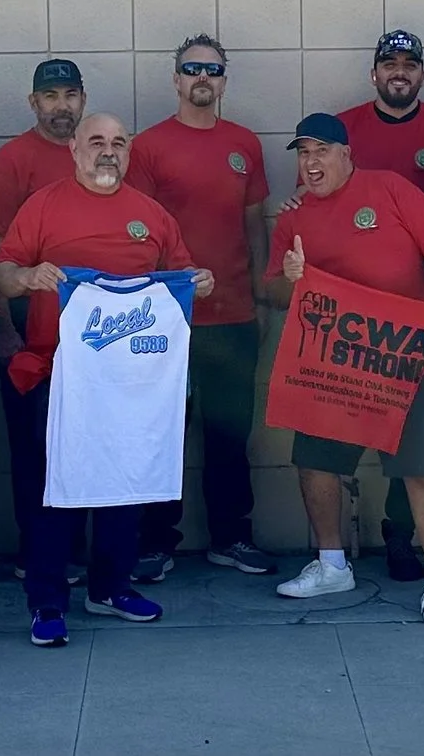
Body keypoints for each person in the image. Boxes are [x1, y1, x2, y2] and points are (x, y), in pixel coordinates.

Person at [0, 113, 212, 648]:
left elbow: (181, 276)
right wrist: (26, 277)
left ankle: (110, 587)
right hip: (60, 372)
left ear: (129, 151)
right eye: (96, 142)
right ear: (74, 148)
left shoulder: (150, 214)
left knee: (124, 482)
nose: (107, 151)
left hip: (133, 380)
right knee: (57, 488)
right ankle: (47, 600)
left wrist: (198, 283)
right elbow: (1, 270)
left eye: (117, 143)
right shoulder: (44, 204)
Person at [266, 112, 424, 623]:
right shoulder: (291, 218)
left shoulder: (390, 189)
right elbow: (269, 293)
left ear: (346, 154)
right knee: (315, 462)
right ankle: (332, 563)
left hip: (407, 359)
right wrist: (290, 278)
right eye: (303, 154)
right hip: (335, 367)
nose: (311, 163)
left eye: (321, 151)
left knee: (420, 470)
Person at [129, 37, 278, 580]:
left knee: (229, 435)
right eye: (192, 69)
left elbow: (253, 223)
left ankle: (232, 537)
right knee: (162, 434)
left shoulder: (245, 144)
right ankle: (153, 543)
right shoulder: (147, 147)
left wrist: (262, 294)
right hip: (166, 319)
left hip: (235, 314)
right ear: (175, 79)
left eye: (212, 71)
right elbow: (138, 233)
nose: (202, 78)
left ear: (223, 79)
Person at [333, 29, 424, 581]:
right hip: (357, 303)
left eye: (409, 64)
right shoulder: (343, 129)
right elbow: (318, 189)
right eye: (388, 63)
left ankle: (399, 534)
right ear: (373, 73)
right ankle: (337, 544)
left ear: (422, 74)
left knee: (409, 429)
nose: (399, 71)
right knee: (346, 413)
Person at [0, 57, 94, 582]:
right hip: (29, 323)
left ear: (83, 100)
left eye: (70, 95)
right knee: (34, 445)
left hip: (94, 330)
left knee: (89, 440)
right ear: (34, 103)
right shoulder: (11, 161)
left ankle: (90, 553)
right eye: (51, 96)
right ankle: (39, 553)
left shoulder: (97, 156)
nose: (61, 105)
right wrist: (5, 327)